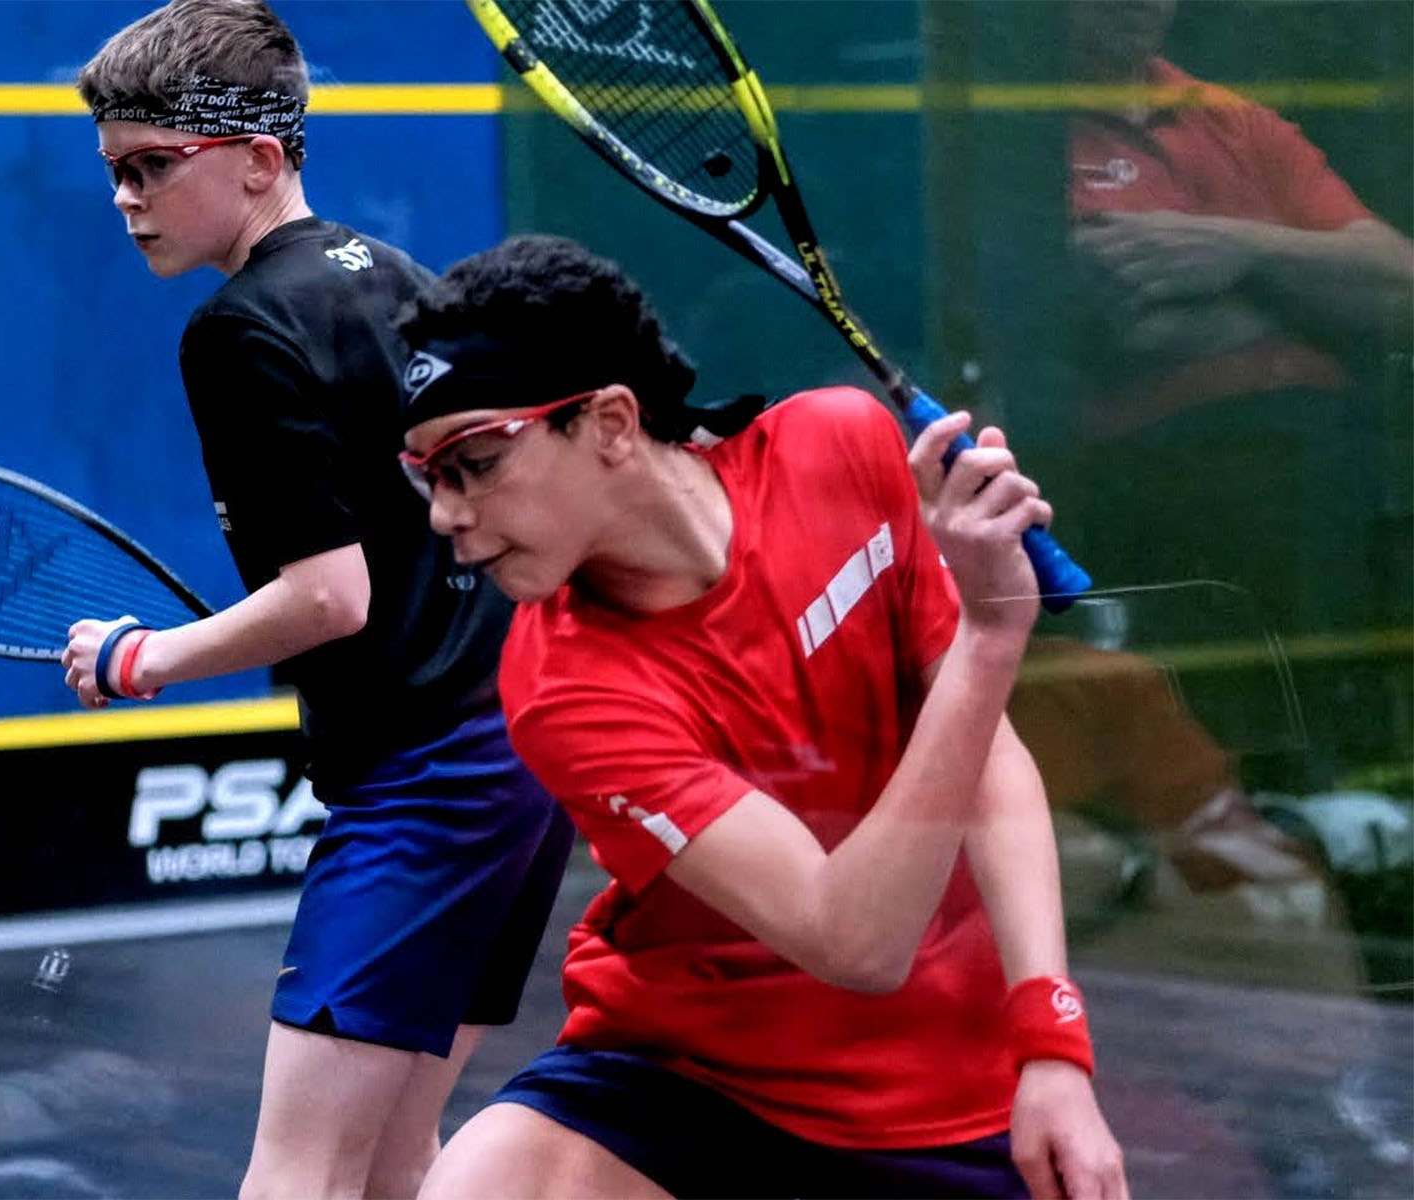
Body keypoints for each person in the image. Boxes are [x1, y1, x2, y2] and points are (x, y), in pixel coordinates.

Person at [397, 234, 1126, 1200]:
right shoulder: (561, 683)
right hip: (688, 1084)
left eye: (474, 463)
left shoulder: (841, 444)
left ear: (611, 420)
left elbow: (988, 753)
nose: (445, 514)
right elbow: (852, 943)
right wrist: (991, 641)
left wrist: (1052, 1040)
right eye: (426, 477)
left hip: (950, 1094)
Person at [61, 3, 574, 1196]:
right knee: (394, 1159)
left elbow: (327, 597)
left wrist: (145, 660)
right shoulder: (384, 270)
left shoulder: (235, 331)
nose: (126, 198)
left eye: (151, 168)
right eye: (112, 172)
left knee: (292, 1178)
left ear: (257, 159)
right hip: (517, 747)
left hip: (428, 782)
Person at [1061, 0, 1414, 637]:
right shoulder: (1016, 130)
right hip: (1163, 477)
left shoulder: (1233, 119)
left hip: (1331, 464)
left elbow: (1400, 285)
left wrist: (1234, 248)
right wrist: (1312, 300)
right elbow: (1136, 330)